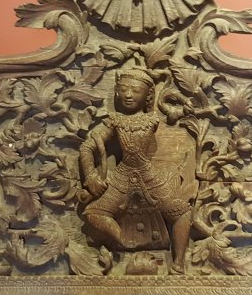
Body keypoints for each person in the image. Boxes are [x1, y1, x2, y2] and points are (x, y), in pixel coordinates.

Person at [79, 68, 192, 273]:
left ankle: (179, 263)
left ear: (148, 96)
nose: (128, 95)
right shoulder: (115, 121)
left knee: (182, 212)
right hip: (121, 177)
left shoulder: (151, 120)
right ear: (117, 92)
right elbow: (87, 147)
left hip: (148, 175)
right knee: (93, 213)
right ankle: (124, 240)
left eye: (135, 91)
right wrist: (91, 176)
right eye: (123, 90)